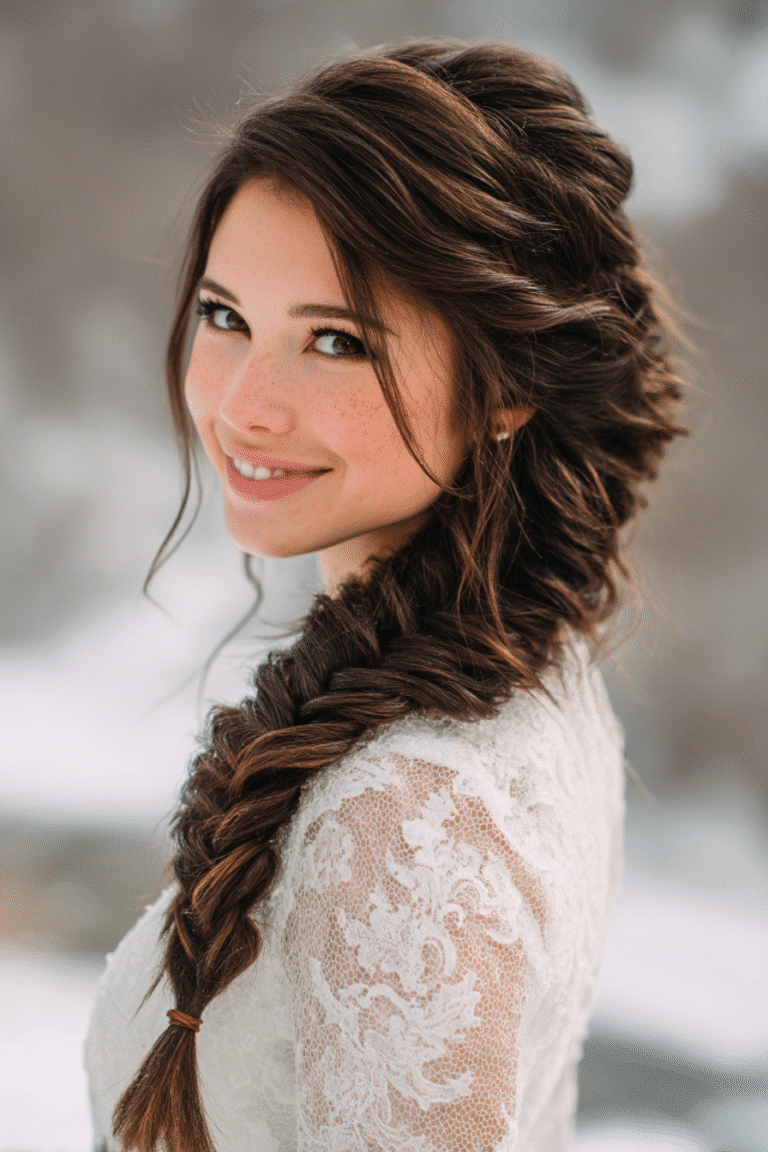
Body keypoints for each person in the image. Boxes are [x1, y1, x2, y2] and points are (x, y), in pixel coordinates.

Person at [84, 38, 688, 1152]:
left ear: (506, 388)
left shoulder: (405, 815)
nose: (244, 407)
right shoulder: (534, 669)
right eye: (225, 317)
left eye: (336, 341)